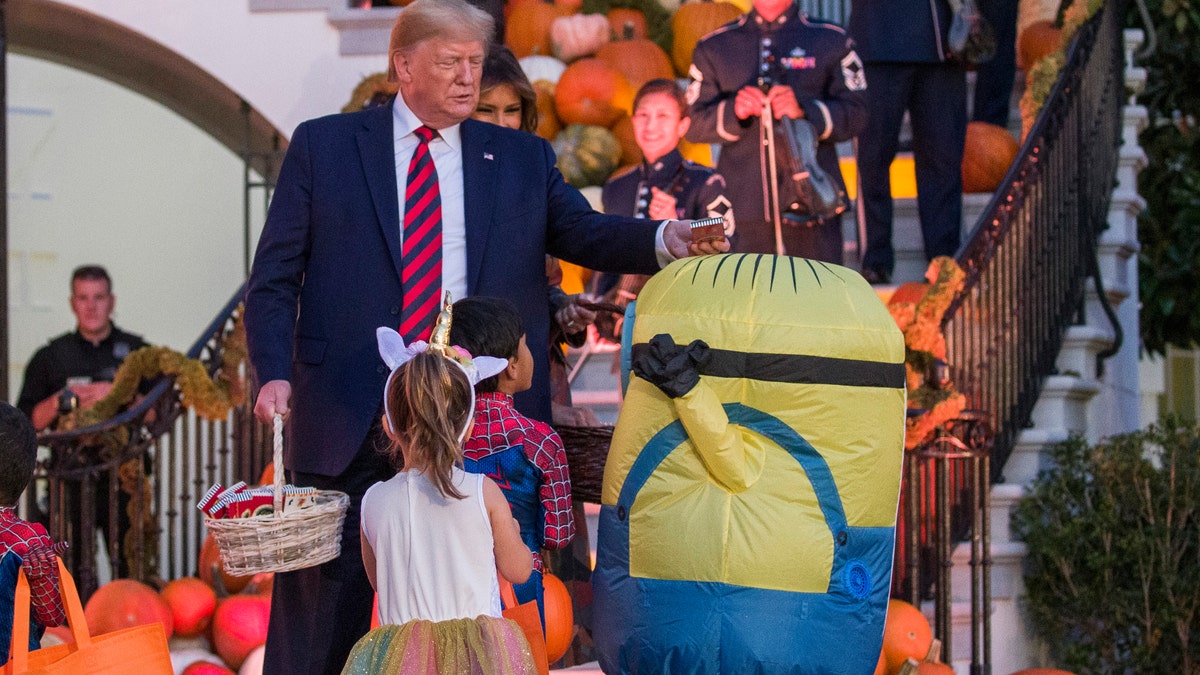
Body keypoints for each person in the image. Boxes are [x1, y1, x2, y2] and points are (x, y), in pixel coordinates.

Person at [243, 0, 728, 671]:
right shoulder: (324, 147)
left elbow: (582, 232)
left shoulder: (523, 157)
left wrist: (661, 238)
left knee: (477, 614)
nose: (469, 78)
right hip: (349, 411)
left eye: (475, 62)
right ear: (403, 64)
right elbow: (273, 279)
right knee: (322, 626)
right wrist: (272, 370)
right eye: (450, 62)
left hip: (477, 424)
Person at [343, 324, 535, 674]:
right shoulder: (482, 492)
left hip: (402, 663)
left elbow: (379, 581)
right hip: (476, 660)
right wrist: (514, 533)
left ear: (389, 426)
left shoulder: (373, 501)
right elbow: (518, 570)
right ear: (470, 425)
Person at [470, 45, 599, 427]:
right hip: (470, 371)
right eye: (487, 110)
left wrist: (563, 307)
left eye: (512, 110)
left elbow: (541, 279)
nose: (503, 123)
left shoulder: (535, 171)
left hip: (531, 369)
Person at [685, 0, 867, 263]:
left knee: (815, 299)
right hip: (741, 207)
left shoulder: (831, 38)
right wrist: (733, 111)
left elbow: (858, 113)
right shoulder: (714, 45)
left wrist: (806, 111)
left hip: (815, 204)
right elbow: (690, 122)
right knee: (747, 300)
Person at [15, 265, 148, 578]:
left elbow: (157, 411)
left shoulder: (137, 352)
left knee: (132, 570)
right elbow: (26, 420)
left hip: (123, 477)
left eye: (99, 297)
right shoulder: (50, 356)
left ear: (111, 302)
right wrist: (65, 398)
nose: (91, 306)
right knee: (71, 573)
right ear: (72, 303)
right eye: (83, 298)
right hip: (70, 480)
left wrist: (118, 394)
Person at [450, 296, 573, 629]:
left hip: (450, 589)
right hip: (520, 591)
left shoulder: (437, 442)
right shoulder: (540, 441)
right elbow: (557, 536)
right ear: (511, 366)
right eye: (527, 345)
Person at [598, 78, 734, 330]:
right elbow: (606, 261)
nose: (651, 125)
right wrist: (599, 314)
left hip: (686, 319)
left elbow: (727, 246)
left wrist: (678, 226)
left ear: (683, 125)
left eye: (663, 116)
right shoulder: (617, 187)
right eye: (643, 115)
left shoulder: (706, 181)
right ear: (633, 121)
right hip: (625, 325)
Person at [850, 0, 968, 284]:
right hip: (878, 39)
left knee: (942, 157)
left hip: (943, 42)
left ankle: (944, 259)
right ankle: (875, 258)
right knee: (873, 157)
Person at [0, 402, 66, 654]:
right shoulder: (29, 539)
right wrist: (40, 575)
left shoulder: (25, 540)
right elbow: (53, 617)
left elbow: (53, 617)